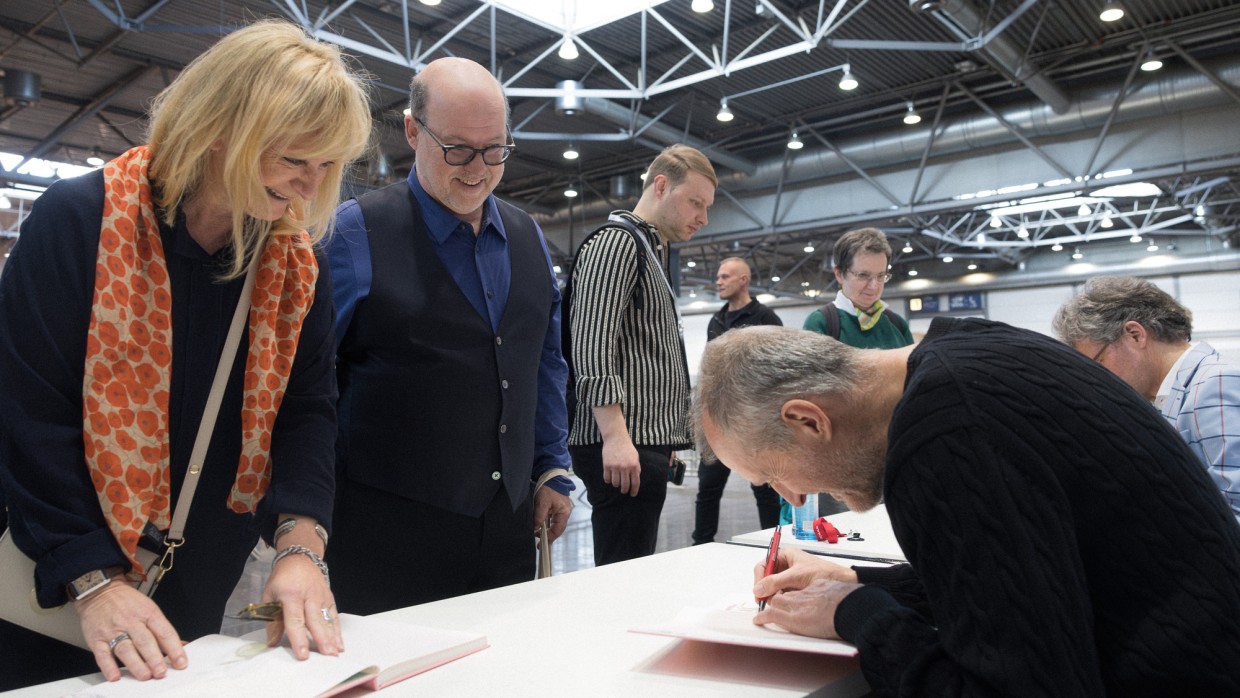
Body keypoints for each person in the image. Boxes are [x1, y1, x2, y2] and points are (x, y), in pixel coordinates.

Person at [0, 20, 371, 690]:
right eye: (292, 160)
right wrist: (91, 580)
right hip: (60, 590)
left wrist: (301, 544)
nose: (308, 190)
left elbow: (308, 410)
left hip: (195, 589)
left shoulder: (294, 264)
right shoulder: (79, 222)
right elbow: (30, 415)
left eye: (325, 168)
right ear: (221, 128)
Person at [693, 322, 1240, 696]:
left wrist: (853, 616)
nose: (790, 498)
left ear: (808, 420)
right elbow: (1021, 581)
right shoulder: (969, 355)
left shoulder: (945, 434)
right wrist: (855, 578)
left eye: (774, 475)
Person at [325, 57, 574, 613]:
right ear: (413, 130)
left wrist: (552, 465)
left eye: (495, 150)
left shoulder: (527, 235)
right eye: (457, 148)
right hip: (385, 532)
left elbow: (543, 362)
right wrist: (297, 514)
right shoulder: (355, 231)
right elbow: (307, 384)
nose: (478, 169)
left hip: (506, 524)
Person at [568, 144, 716, 565]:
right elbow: (592, 343)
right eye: (695, 203)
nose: (703, 218)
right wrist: (615, 436)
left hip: (641, 442)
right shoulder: (617, 243)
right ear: (662, 185)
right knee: (621, 573)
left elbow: (643, 351)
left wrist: (662, 437)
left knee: (633, 565)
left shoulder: (650, 249)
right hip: (618, 444)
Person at [1053, 275, 1240, 522]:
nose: (1098, 379)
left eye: (1098, 364)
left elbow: (1234, 510)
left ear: (1135, 335)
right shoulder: (1175, 395)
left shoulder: (1212, 386)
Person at [691, 257, 782, 544]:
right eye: (718, 276)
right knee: (708, 488)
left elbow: (778, 372)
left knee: (765, 489)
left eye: (725, 276)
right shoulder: (715, 320)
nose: (718, 281)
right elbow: (709, 368)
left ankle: (775, 545)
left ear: (743, 279)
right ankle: (701, 545)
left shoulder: (766, 318)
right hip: (719, 420)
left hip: (754, 422)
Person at [802, 227, 913, 349]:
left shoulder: (897, 324)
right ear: (839, 274)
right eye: (863, 275)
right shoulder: (821, 323)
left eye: (881, 276)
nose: (874, 286)